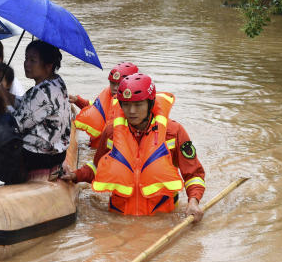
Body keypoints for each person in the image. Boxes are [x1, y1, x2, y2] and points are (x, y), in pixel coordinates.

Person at [63, 74, 206, 219]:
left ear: (150, 104)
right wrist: (75, 175)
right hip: (119, 218)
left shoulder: (174, 132)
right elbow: (98, 166)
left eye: (138, 105)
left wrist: (193, 202)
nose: (131, 111)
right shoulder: (111, 132)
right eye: (126, 104)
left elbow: (193, 174)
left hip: (161, 218)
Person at [12, 40, 74, 181]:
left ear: (48, 66)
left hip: (39, 156)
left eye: (33, 60)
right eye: (26, 58)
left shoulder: (42, 91)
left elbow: (17, 125)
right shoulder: (57, 81)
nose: (26, 64)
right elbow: (28, 104)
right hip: (58, 152)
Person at [73, 61, 139, 148]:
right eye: (112, 83)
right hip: (96, 148)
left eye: (119, 84)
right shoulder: (107, 94)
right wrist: (77, 100)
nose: (115, 88)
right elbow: (95, 108)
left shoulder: (136, 109)